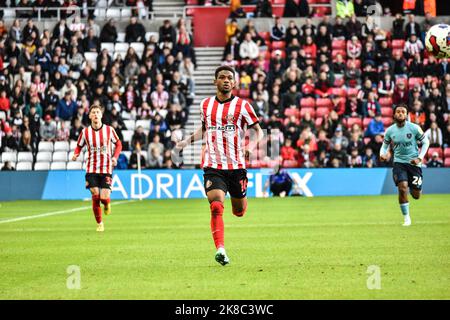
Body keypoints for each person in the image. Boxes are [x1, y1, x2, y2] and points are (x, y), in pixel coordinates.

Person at [175, 66, 264, 266]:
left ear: (234, 83)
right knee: (216, 205)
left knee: (239, 211)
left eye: (229, 78)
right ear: (215, 81)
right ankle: (221, 250)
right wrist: (186, 142)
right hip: (213, 164)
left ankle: (241, 200)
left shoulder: (243, 106)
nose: (225, 80)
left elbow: (259, 131)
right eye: (222, 77)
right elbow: (205, 129)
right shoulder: (205, 105)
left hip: (237, 165)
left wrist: (250, 145)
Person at [71, 104, 123, 232]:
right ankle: (99, 223)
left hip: (106, 168)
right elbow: (79, 145)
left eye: (97, 112)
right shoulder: (85, 132)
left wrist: (115, 157)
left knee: (104, 197)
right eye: (93, 112)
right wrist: (76, 153)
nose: (95, 114)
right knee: (95, 193)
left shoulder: (109, 130)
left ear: (101, 115)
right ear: (89, 116)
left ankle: (106, 204)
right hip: (91, 168)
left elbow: (119, 144)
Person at [379, 104, 430, 227]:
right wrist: (382, 154)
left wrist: (419, 158)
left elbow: (426, 142)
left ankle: (416, 189)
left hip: (414, 164)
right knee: (402, 188)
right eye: (398, 111)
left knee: (416, 195)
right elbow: (384, 145)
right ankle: (407, 219)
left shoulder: (414, 128)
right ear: (394, 114)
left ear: (407, 115)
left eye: (403, 112)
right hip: (399, 163)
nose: (401, 113)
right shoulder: (390, 131)